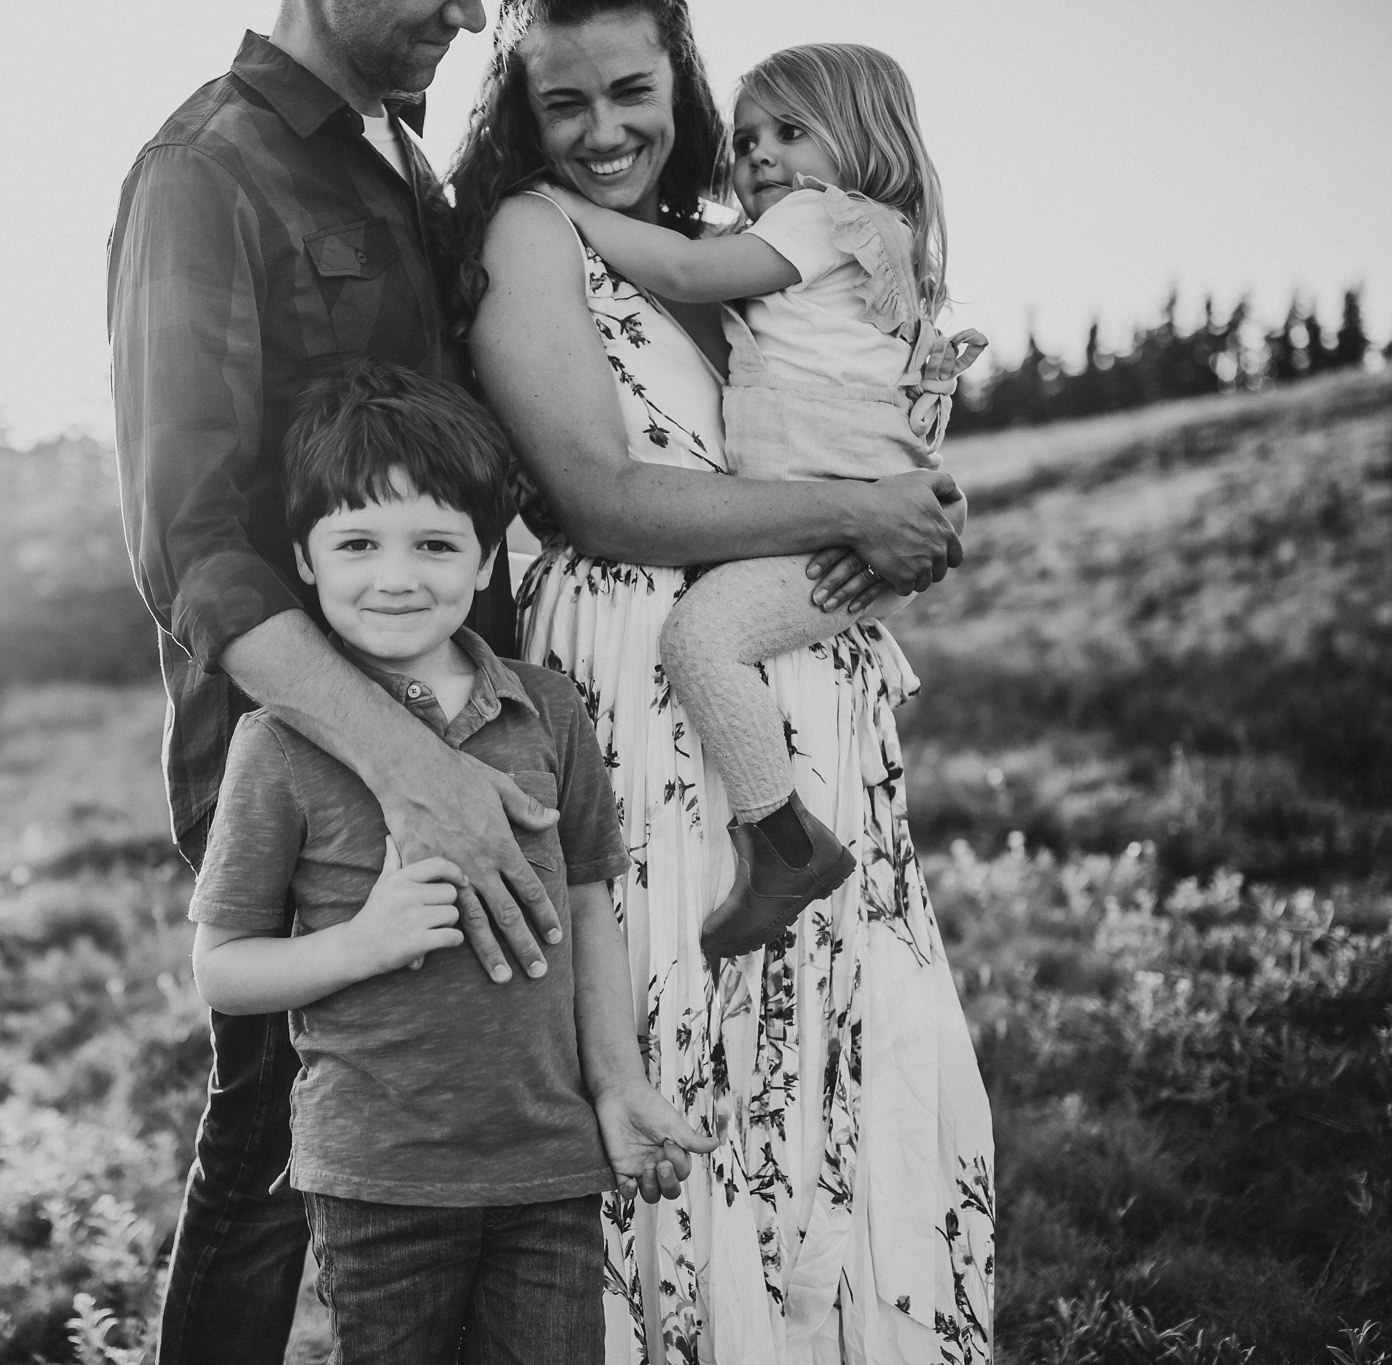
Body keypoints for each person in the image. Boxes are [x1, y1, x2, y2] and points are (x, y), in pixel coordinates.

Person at [446, 2, 996, 1361]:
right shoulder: (534, 227)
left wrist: (913, 503)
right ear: (523, 108)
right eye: (564, 104)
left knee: (826, 1071)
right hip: (652, 693)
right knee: (702, 1065)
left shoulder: (743, 228)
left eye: (631, 92)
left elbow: (821, 433)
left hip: (794, 686)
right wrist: (853, 510)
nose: (603, 131)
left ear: (676, 82)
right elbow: (609, 499)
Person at [108, 5, 603, 1362]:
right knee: (271, 1145)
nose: (462, 12)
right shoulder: (204, 173)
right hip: (307, 762)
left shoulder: (411, 163)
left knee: (483, 1113)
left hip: (470, 732)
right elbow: (191, 548)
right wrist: (415, 771)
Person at [189, 360, 708, 1364]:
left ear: (484, 562)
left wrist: (617, 1085)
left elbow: (589, 908)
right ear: (303, 557)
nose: (395, 576)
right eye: (356, 543)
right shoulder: (282, 743)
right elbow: (221, 969)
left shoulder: (547, 711)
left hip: (548, 1172)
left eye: (433, 543)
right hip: (377, 1182)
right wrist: (364, 942)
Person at [541, 43, 989, 961]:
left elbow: (687, 274)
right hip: (839, 519)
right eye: (746, 140)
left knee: (701, 639)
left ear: (864, 139)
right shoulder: (825, 245)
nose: (760, 156)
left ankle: (784, 843)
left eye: (791, 131)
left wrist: (567, 207)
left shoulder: (827, 219)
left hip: (840, 519)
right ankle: (784, 839)